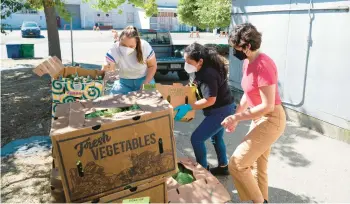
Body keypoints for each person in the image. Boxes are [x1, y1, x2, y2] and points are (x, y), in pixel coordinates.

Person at [221, 23, 286, 203]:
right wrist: (236, 116)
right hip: (258, 118)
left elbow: (267, 106)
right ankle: (262, 199)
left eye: (236, 47)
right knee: (258, 166)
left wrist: (237, 117)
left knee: (238, 164)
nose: (234, 51)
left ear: (247, 46)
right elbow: (248, 95)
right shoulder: (247, 62)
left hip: (272, 119)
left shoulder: (263, 64)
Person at [174, 43, 235, 175]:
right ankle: (223, 166)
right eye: (185, 60)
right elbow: (195, 84)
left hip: (221, 111)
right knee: (216, 138)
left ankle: (203, 170)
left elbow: (210, 99)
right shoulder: (201, 68)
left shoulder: (208, 73)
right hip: (223, 107)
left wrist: (189, 107)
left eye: (188, 62)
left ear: (200, 61)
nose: (186, 64)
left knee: (197, 138)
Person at [103, 26, 157, 95]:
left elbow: (152, 66)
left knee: (153, 99)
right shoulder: (115, 48)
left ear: (137, 43)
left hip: (146, 80)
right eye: (123, 45)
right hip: (123, 83)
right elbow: (109, 64)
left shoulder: (145, 46)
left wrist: (146, 82)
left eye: (131, 46)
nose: (126, 49)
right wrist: (107, 65)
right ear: (119, 40)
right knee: (113, 102)